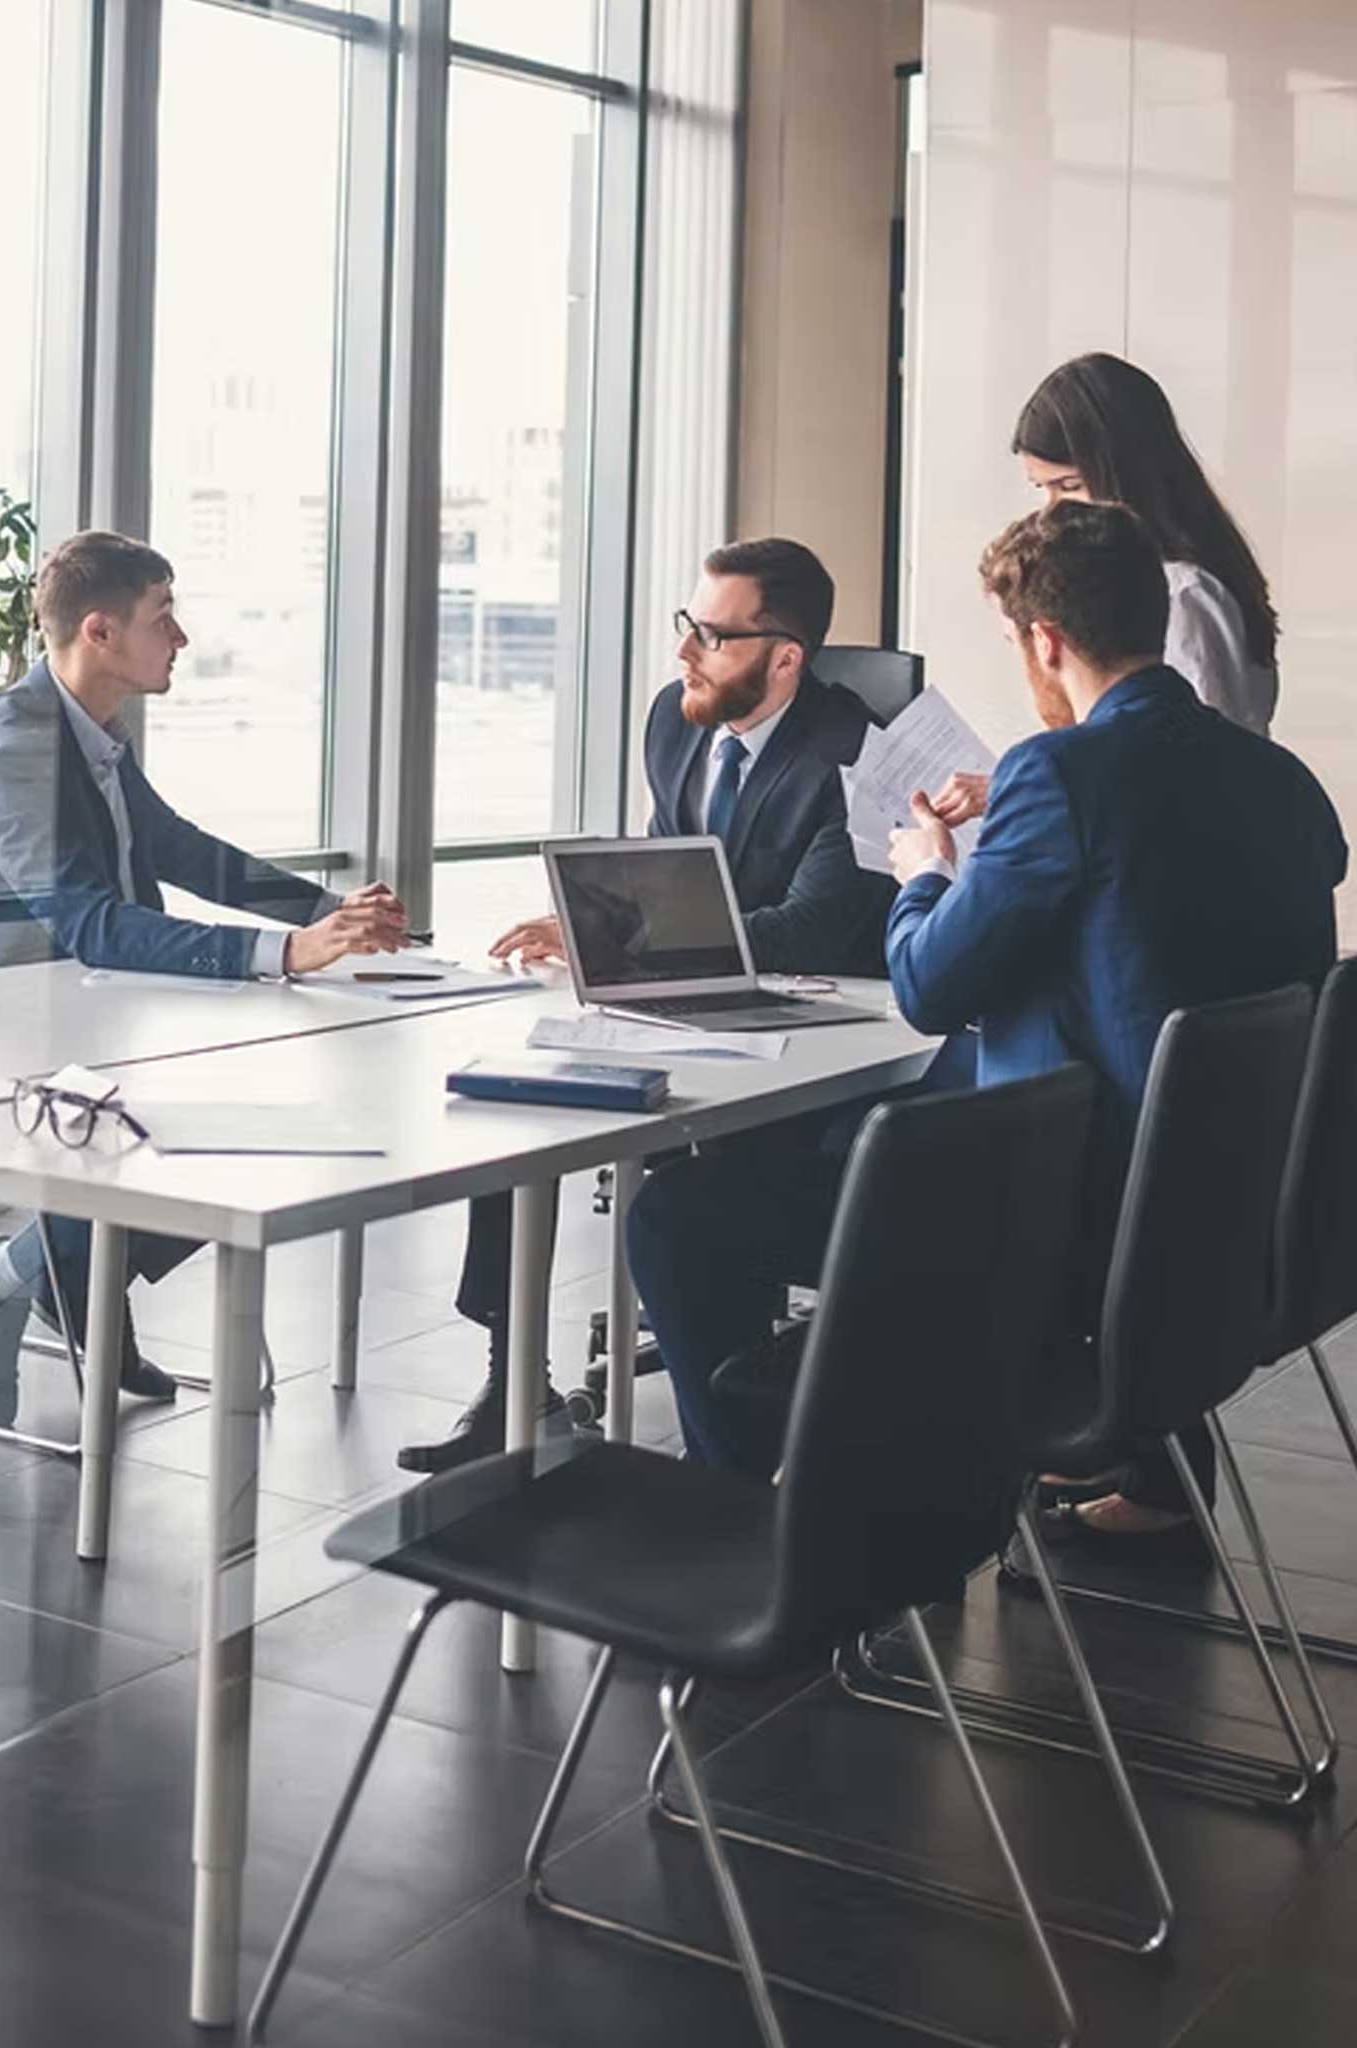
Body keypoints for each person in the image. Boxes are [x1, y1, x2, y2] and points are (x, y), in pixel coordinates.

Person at [625, 499, 1343, 1491]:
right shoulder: (1279, 777)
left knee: (679, 1215)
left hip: (1065, 1214)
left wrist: (925, 870)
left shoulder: (1056, 773)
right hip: (1222, 1215)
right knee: (833, 1133)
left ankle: (749, 1528)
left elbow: (924, 984)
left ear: (1043, 641)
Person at [398, 537, 896, 1473]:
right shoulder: (677, 718)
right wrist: (595, 926)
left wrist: (628, 940)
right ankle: (518, 1387)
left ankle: (740, 1439)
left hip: (814, 1034)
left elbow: (811, 927)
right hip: (682, 1002)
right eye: (687, 626)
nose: (684, 654)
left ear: (785, 656)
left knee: (699, 1206)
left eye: (712, 635)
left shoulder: (856, 755)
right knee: (522, 1098)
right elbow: (670, 874)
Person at [0, 529, 409, 1428]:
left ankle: (60, 1278)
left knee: (238, 1126)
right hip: (12, 1030)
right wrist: (280, 955)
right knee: (209, 1136)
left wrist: (326, 913)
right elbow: (89, 923)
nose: (182, 638)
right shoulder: (16, 751)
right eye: (165, 617)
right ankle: (14, 1273)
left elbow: (177, 848)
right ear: (102, 634)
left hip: (96, 1012)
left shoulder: (92, 734)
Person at [929, 352, 1281, 828]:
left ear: (1124, 472)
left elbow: (1196, 775)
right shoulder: (1157, 584)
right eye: (1042, 490)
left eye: (1068, 486)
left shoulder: (1184, 595)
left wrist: (1030, 789)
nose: (1050, 513)